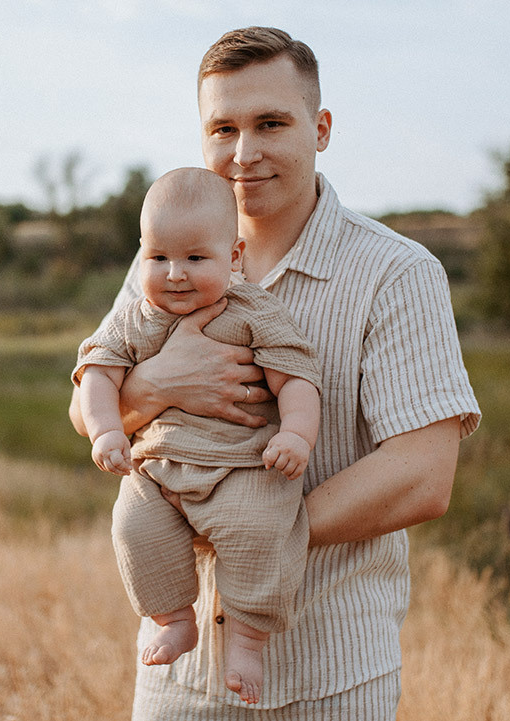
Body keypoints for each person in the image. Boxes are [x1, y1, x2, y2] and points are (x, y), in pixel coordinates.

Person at [69, 26, 481, 720]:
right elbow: (88, 406)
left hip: (334, 673)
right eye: (223, 128)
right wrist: (163, 383)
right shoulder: (166, 262)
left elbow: (423, 473)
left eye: (270, 123)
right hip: (180, 681)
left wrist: (247, 525)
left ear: (319, 129)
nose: (244, 152)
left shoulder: (396, 273)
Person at [73, 166, 322, 705]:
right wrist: (106, 431)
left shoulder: (252, 311)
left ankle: (248, 638)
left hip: (241, 467)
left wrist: (297, 435)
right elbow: (97, 374)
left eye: (194, 258)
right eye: (158, 258)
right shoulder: (133, 318)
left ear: (233, 258)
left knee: (259, 528)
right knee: (133, 525)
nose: (174, 274)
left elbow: (296, 376)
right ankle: (172, 618)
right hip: (158, 468)